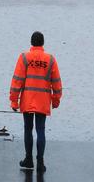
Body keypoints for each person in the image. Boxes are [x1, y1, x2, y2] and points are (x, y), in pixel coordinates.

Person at [9, 31, 62, 172]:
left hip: (27, 100)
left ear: (31, 43)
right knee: (40, 130)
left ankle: (28, 159)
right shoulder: (50, 59)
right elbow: (56, 82)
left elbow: (17, 80)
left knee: (28, 129)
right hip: (43, 100)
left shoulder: (24, 57)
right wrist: (56, 100)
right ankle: (40, 162)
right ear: (42, 43)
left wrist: (14, 100)